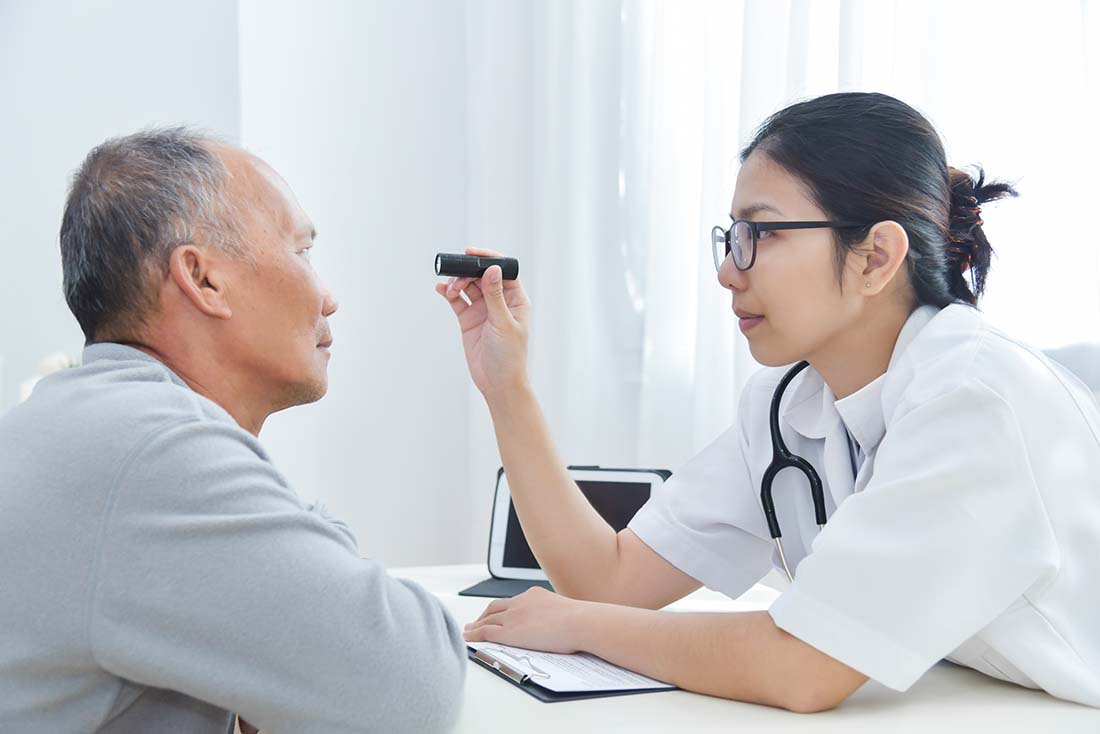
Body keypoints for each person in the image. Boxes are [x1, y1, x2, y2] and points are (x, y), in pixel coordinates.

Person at [438, 92, 1100, 712]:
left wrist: (581, 626)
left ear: (875, 257)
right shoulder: (791, 404)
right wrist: (506, 386)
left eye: (763, 234)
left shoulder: (973, 397)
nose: (729, 270)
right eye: (731, 236)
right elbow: (607, 577)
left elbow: (806, 666)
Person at [0, 128, 465, 733]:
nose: (328, 298)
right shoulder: (154, 452)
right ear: (203, 279)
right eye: (300, 251)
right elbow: (414, 691)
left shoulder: (74, 422)